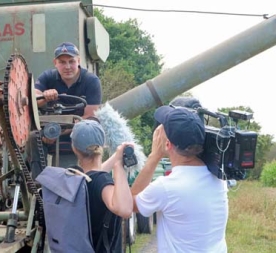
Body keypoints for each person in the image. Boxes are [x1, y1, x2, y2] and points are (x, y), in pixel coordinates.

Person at [131, 105, 229, 253]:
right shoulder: (219, 180)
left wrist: (154, 155)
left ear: (168, 144)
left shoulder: (166, 187)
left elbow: (131, 203)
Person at [28, 42, 102, 178]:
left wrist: (59, 131)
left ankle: (86, 179)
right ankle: (38, 183)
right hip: (49, 133)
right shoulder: (47, 77)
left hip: (78, 131)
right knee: (33, 137)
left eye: (71, 61)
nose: (67, 67)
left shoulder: (91, 81)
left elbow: (90, 116)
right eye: (62, 62)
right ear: (55, 63)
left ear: (78, 61)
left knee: (88, 132)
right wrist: (45, 97)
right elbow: (33, 98)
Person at [70, 119, 133, 252]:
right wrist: (119, 167)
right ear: (103, 145)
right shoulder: (102, 182)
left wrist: (116, 156)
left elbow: (94, 173)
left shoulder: (75, 177)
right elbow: (125, 210)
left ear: (74, 148)